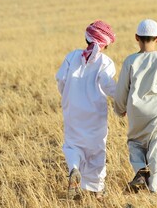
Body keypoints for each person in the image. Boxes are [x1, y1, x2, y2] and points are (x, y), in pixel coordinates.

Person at [114, 19, 157, 193]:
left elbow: (122, 87)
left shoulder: (130, 61)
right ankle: (153, 189)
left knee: (135, 143)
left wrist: (119, 108)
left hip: (136, 110)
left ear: (136, 37)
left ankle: (140, 170)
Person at [55, 20, 116, 201]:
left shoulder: (72, 56)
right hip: (95, 114)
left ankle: (74, 169)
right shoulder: (105, 62)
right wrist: (123, 102)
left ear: (86, 38)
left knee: (73, 145)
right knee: (97, 150)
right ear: (106, 44)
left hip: (72, 110)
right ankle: (98, 191)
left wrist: (66, 96)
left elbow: (60, 80)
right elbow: (109, 86)